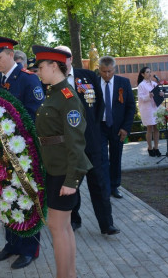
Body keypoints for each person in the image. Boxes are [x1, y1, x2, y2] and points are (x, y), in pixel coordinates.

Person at [0, 36, 43, 269]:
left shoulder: (29, 80)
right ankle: (12, 244)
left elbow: (35, 114)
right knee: (7, 198)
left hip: (24, 151)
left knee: (26, 200)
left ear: (10, 54)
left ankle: (29, 250)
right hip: (3, 153)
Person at [32, 45, 91, 278]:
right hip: (55, 167)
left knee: (57, 227)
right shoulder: (54, 92)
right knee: (63, 227)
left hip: (63, 171)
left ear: (54, 66)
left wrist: (72, 179)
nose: (38, 71)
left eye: (41, 67)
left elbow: (76, 141)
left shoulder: (67, 96)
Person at [54, 45, 118, 236]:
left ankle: (107, 224)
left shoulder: (87, 76)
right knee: (71, 184)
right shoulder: (51, 82)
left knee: (99, 183)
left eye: (64, 57)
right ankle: (74, 220)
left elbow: (99, 105)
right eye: (57, 57)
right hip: (68, 146)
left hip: (92, 142)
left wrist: (92, 127)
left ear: (71, 58)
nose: (61, 61)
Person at [98, 56, 136, 199]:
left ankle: (114, 186)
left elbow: (130, 107)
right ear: (99, 69)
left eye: (109, 71)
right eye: (103, 71)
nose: (107, 75)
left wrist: (126, 128)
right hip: (100, 127)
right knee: (102, 159)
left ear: (114, 69)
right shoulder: (94, 83)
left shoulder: (123, 83)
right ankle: (105, 187)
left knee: (116, 157)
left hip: (117, 127)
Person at [137, 67, 164, 157]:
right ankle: (150, 148)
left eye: (150, 72)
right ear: (142, 74)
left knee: (156, 128)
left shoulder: (154, 83)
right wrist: (149, 96)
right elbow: (141, 98)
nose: (149, 74)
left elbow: (158, 94)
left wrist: (161, 94)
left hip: (156, 107)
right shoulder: (141, 85)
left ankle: (156, 148)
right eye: (147, 72)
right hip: (147, 109)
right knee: (150, 128)